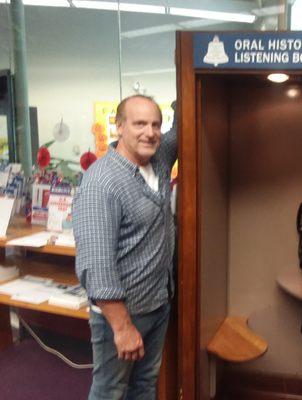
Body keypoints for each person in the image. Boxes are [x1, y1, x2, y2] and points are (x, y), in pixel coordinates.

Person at [73, 94, 177, 399]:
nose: (150, 132)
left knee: (144, 385)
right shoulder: (101, 182)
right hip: (121, 315)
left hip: (157, 303)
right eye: (140, 123)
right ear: (119, 127)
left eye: (155, 124)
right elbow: (96, 265)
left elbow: (179, 129)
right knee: (111, 390)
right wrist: (122, 328)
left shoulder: (157, 159)